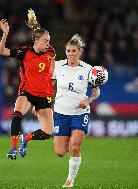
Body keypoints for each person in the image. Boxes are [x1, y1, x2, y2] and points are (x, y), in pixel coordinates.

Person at [0, 9, 56, 160]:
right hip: (28, 92)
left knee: (47, 133)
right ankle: (13, 147)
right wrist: (5, 35)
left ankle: (27, 138)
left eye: (48, 41)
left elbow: (52, 74)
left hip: (44, 95)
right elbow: (2, 51)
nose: (48, 44)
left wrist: (52, 91)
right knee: (17, 114)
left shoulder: (51, 52)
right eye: (45, 41)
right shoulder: (24, 51)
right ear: (36, 41)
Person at [52, 34, 101, 188]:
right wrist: (39, 103)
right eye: (68, 51)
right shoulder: (58, 66)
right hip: (60, 112)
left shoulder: (88, 69)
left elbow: (96, 92)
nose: (70, 54)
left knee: (75, 145)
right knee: (60, 151)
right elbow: (48, 86)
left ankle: (70, 179)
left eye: (73, 51)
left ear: (80, 52)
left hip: (80, 113)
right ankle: (70, 150)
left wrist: (88, 100)